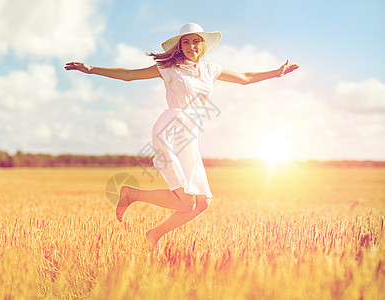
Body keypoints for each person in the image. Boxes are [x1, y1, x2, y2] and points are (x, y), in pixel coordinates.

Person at [65, 23, 299, 248]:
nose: (191, 46)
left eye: (196, 41)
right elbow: (129, 75)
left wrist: (276, 73)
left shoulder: (210, 69)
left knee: (201, 204)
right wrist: (91, 69)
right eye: (186, 42)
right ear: (179, 46)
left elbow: (246, 78)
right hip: (172, 129)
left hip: (191, 135)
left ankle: (149, 226)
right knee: (186, 201)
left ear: (203, 44)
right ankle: (134, 199)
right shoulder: (169, 69)